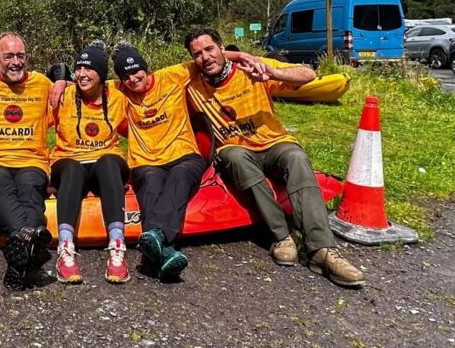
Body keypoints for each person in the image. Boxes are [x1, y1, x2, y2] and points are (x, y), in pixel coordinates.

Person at [183, 26, 365, 288]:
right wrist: (237, 54)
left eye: (210, 49)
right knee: (234, 156)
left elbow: (308, 74)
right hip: (236, 150)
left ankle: (322, 250)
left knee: (296, 157)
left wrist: (272, 72)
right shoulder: (192, 83)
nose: (205, 57)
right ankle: (282, 236)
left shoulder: (254, 67)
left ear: (221, 47)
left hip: (274, 143)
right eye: (197, 54)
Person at [0, 32, 56, 290]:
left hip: (32, 161)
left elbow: (82, 86)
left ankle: (21, 254)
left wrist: (61, 78)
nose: (16, 62)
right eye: (8, 56)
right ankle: (33, 241)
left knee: (30, 188)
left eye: (20, 56)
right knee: (1, 184)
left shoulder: (42, 83)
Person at [111, 41, 207, 281]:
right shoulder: (119, 90)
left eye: (136, 72)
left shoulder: (172, 75)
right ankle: (165, 252)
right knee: (151, 183)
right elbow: (88, 80)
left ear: (146, 68)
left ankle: (156, 239)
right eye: (125, 76)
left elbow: (206, 59)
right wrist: (61, 82)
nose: (132, 79)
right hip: (146, 161)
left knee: (180, 175)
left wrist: (244, 57)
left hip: (183, 154)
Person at [49, 41, 131, 284]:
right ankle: (65, 249)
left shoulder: (118, 96)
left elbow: (141, 79)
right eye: (78, 69)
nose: (82, 74)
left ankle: (117, 246)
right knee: (72, 167)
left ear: (102, 75)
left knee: (109, 161)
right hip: (69, 161)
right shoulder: (63, 95)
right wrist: (60, 79)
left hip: (105, 163)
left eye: (89, 69)